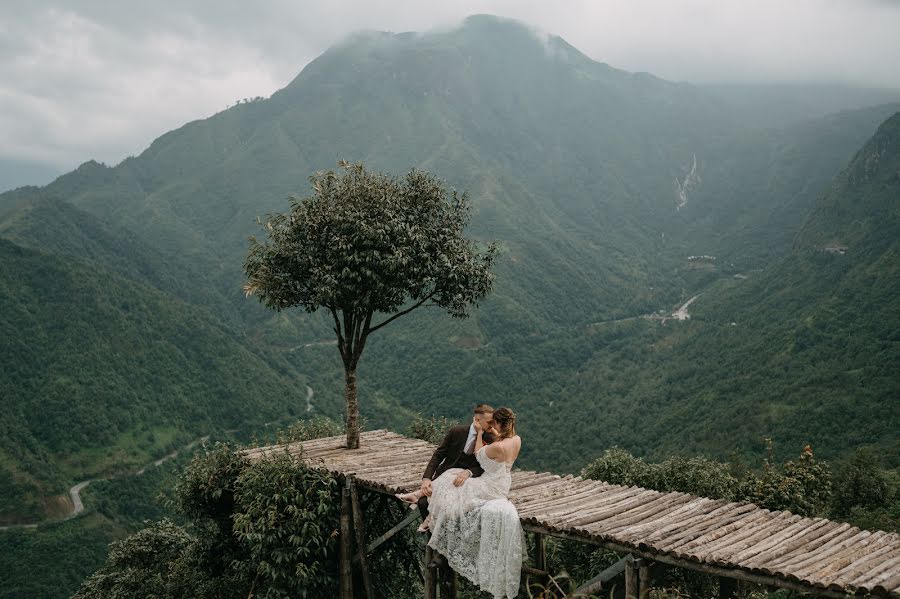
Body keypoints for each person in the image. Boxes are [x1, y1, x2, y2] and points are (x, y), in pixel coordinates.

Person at [427, 407, 525, 599]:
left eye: (493, 423)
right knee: (455, 480)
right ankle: (431, 515)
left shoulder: (497, 447)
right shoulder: (516, 440)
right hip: (503, 483)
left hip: (489, 485)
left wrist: (480, 432)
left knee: (453, 483)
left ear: (497, 424)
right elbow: (501, 443)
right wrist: (496, 433)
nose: (491, 427)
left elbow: (479, 452)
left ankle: (433, 519)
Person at [396, 404, 496, 522]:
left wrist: (469, 472)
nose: (493, 426)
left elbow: (486, 466)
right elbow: (438, 455)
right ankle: (431, 534)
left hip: (468, 482)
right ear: (477, 420)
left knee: (453, 506)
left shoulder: (491, 439)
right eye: (490, 422)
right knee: (423, 503)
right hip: (444, 476)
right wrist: (427, 479)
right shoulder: (456, 432)